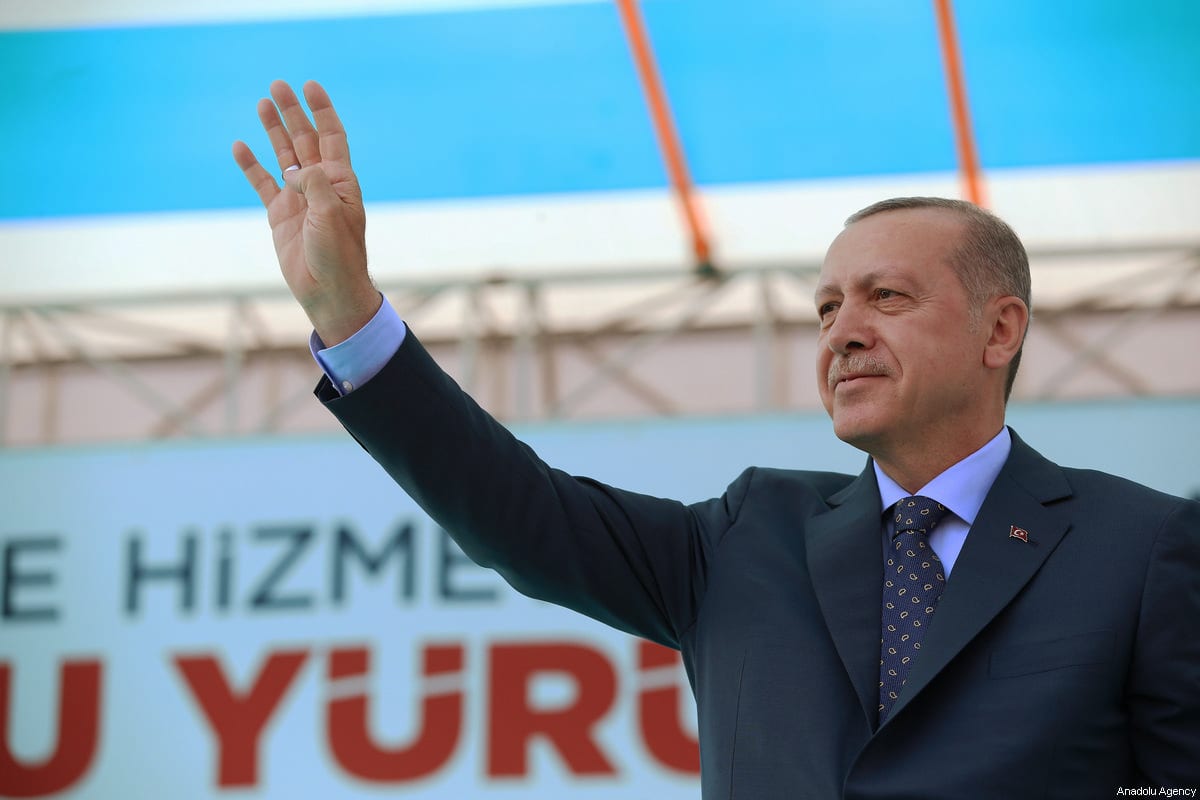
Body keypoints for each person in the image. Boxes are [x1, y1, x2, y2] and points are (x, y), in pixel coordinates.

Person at [234, 80, 1200, 799]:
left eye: (887, 298)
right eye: (826, 307)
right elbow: (514, 512)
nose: (843, 331)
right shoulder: (745, 537)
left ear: (1001, 331)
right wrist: (348, 313)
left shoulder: (1142, 545)